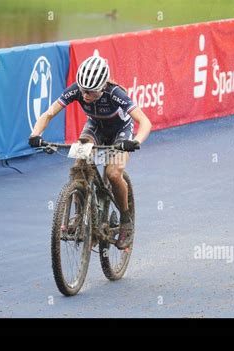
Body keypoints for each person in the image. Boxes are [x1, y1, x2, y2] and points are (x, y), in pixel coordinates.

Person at [29, 55, 152, 249]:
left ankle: (125, 221)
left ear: (102, 87)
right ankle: (79, 215)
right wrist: (36, 134)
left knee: (112, 173)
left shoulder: (115, 93)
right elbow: (49, 113)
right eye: (83, 90)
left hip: (121, 132)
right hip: (95, 127)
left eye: (90, 92)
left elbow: (145, 122)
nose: (85, 95)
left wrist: (135, 141)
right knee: (80, 162)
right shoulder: (77, 90)